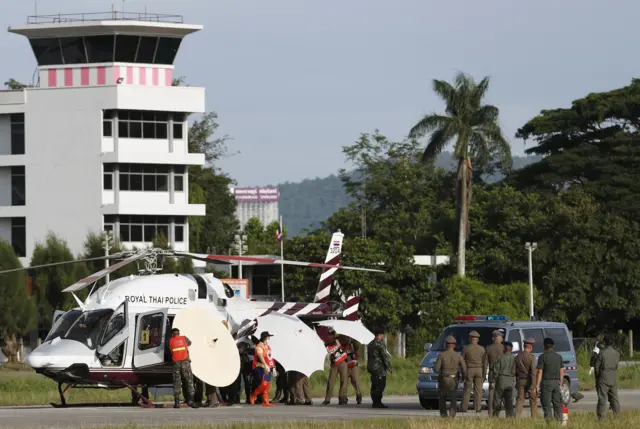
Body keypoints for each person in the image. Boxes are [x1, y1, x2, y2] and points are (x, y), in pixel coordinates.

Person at [435, 335, 467, 418]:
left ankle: (443, 415)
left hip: (444, 379)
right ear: (454, 345)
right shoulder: (458, 356)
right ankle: (452, 415)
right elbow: (464, 369)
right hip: (454, 380)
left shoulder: (441, 355)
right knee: (453, 398)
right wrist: (463, 378)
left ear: (446, 344)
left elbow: (436, 369)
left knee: (442, 397)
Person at [536, 337, 563, 422]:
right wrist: (560, 383)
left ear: (544, 346)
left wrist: (537, 385)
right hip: (556, 382)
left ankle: (549, 423)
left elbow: (540, 372)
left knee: (546, 404)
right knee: (557, 404)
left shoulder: (542, 357)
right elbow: (561, 371)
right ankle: (559, 421)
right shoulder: (559, 357)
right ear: (553, 346)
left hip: (546, 383)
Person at [594, 333, 621, 419]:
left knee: (602, 397)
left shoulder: (602, 353)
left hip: (603, 375)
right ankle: (617, 416)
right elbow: (616, 365)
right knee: (614, 397)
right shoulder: (617, 353)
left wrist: (597, 377)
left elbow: (597, 366)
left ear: (604, 342)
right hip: (613, 375)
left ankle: (601, 417)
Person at [169, 328, 197, 409]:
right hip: (185, 363)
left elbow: (170, 350)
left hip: (176, 364)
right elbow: (190, 343)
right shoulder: (184, 338)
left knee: (176, 381)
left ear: (172, 334)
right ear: (179, 333)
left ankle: (177, 403)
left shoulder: (170, 340)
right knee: (189, 381)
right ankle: (191, 401)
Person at [460, 330, 487, 413]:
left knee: (467, 389)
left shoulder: (466, 348)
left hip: (469, 370)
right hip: (479, 370)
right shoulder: (482, 349)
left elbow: (461, 360)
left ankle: (464, 407)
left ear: (470, 339)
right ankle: (478, 407)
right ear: (477, 339)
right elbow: (485, 362)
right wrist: (484, 373)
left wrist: (463, 371)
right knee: (478, 390)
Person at [249, 331, 276, 407]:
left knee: (267, 385)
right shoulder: (259, 346)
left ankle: (265, 401)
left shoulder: (268, 347)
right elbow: (260, 356)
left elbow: (270, 357)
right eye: (268, 337)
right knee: (263, 384)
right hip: (259, 367)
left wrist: (273, 367)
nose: (269, 338)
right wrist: (265, 364)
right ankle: (253, 395)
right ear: (265, 338)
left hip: (268, 367)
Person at [322, 328, 349, 405]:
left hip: (343, 362)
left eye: (333, 334)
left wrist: (345, 350)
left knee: (344, 380)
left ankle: (342, 398)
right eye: (329, 335)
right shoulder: (326, 345)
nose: (331, 336)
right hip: (334, 364)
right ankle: (327, 399)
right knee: (331, 381)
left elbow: (347, 341)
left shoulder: (339, 340)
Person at [367, 328, 392, 408]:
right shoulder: (380, 343)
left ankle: (374, 402)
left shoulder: (370, 343)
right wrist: (389, 367)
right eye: (382, 335)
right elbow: (385, 356)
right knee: (380, 385)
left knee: (374, 384)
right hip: (379, 368)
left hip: (371, 367)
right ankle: (377, 402)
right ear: (380, 335)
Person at [514, 337, 538, 418]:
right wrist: (534, 385)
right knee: (533, 399)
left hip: (520, 380)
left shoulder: (517, 356)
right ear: (530, 347)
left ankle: (516, 417)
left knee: (520, 399)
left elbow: (513, 371)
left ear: (524, 346)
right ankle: (534, 417)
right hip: (529, 380)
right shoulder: (531, 357)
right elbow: (534, 372)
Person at [492, 341, 516, 418]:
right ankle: (509, 416)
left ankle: (495, 415)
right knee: (509, 399)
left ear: (504, 349)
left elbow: (496, 370)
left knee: (498, 398)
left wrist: (494, 380)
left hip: (501, 379)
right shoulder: (515, 358)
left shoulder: (500, 358)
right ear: (511, 349)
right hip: (511, 379)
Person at [485, 329, 504, 415]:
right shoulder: (504, 348)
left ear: (494, 338)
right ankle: (498, 411)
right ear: (499, 338)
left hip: (492, 373)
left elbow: (485, 363)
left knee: (491, 393)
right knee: (500, 393)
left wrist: (484, 374)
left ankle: (490, 412)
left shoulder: (489, 348)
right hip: (501, 373)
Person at [343, 336, 363, 405]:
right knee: (344, 382)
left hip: (354, 365)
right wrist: (346, 344)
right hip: (345, 365)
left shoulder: (354, 343)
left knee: (355, 381)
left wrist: (353, 342)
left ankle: (359, 396)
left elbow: (358, 352)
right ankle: (344, 398)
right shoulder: (341, 343)